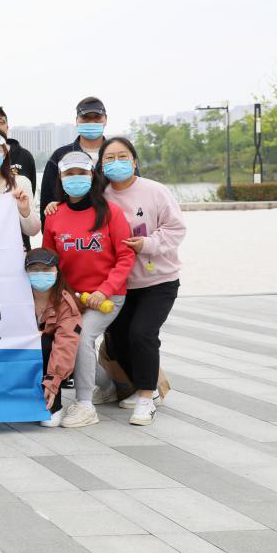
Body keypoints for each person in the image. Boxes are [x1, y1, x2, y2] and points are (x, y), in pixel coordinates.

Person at [41, 150, 135, 428]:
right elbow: (49, 262)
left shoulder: (111, 213)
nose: (76, 178)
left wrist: (104, 291)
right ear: (61, 178)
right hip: (71, 298)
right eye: (69, 173)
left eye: (81, 173)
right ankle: (106, 386)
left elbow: (125, 257)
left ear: (92, 176)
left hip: (107, 297)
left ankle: (84, 405)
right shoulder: (54, 215)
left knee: (82, 338)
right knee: (59, 338)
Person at [99, 136, 186, 426]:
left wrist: (147, 244)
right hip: (120, 284)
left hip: (158, 281)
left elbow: (176, 229)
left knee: (142, 334)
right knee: (118, 337)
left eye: (123, 156)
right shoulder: (100, 196)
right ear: (101, 165)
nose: (117, 162)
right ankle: (141, 386)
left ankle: (147, 398)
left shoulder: (154, 191)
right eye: (109, 158)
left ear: (135, 161)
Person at [24, 248, 81, 428]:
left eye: (46, 269)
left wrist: (53, 383)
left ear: (57, 271)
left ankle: (54, 406)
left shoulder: (66, 303)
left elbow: (66, 343)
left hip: (54, 360)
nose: (40, 274)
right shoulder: (16, 296)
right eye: (34, 269)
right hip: (20, 355)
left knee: (45, 342)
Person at [40, 96, 115, 219]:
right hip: (71, 225)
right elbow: (47, 200)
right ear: (77, 121)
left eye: (97, 117)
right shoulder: (60, 156)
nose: (91, 122)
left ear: (105, 120)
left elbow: (133, 187)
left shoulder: (117, 153)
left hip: (112, 222)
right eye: (85, 118)